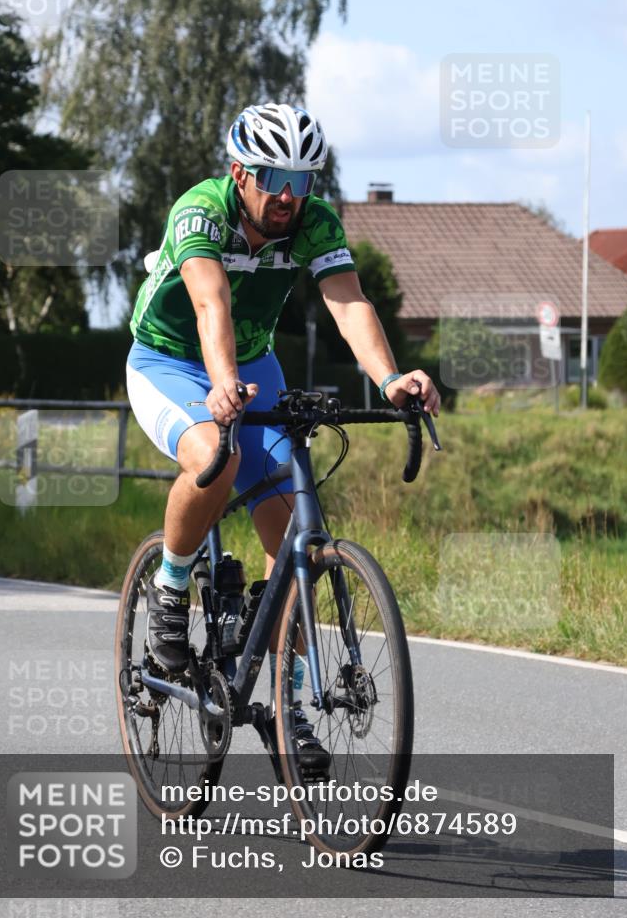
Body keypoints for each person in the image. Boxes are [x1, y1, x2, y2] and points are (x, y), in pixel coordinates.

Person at [126, 102, 440, 767]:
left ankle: (286, 706)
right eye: (273, 178)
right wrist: (219, 385)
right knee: (216, 451)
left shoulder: (312, 221)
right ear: (239, 173)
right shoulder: (200, 211)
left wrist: (388, 379)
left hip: (253, 362)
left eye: (302, 180)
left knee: (294, 535)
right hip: (169, 360)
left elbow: (348, 302)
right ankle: (172, 591)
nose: (288, 196)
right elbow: (211, 305)